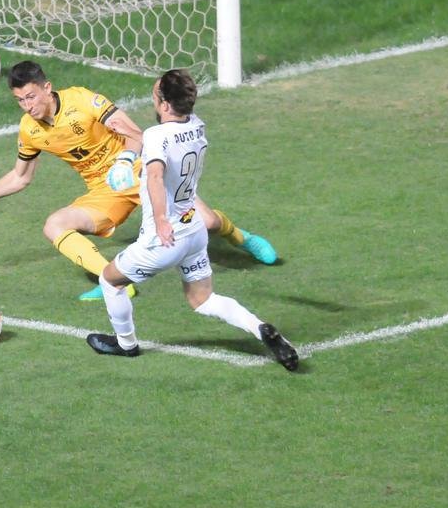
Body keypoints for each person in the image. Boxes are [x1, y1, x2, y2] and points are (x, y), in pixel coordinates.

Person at [0, 61, 278, 301]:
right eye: (20, 100)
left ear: (47, 88)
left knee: (205, 222)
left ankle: (241, 237)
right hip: (103, 191)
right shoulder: (30, 129)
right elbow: (20, 177)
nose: (28, 106)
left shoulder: (83, 101)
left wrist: (125, 159)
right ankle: (114, 281)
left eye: (32, 97)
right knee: (54, 224)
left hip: (137, 171)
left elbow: (138, 135)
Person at [84, 69, 299, 371]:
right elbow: (163, 141)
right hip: (194, 230)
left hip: (164, 237)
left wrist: (160, 219)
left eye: (156, 93)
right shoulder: (197, 126)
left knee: (110, 280)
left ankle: (126, 344)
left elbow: (156, 175)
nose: (153, 96)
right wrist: (131, 140)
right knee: (203, 299)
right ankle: (259, 326)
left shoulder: (157, 136)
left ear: (165, 105)